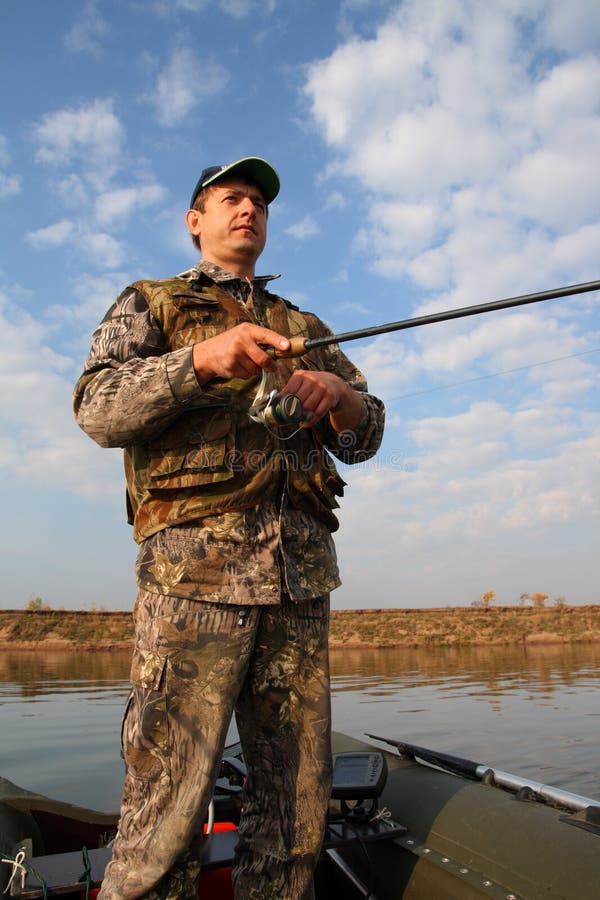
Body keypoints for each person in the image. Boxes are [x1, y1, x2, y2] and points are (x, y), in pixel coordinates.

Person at [74, 156, 385, 900]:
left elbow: (367, 434)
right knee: (165, 807)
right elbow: (98, 407)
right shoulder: (149, 302)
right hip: (193, 586)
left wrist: (337, 393)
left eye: (259, 203)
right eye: (231, 198)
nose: (249, 210)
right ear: (197, 220)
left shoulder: (305, 327)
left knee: (295, 813)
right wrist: (202, 361)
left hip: (299, 587)